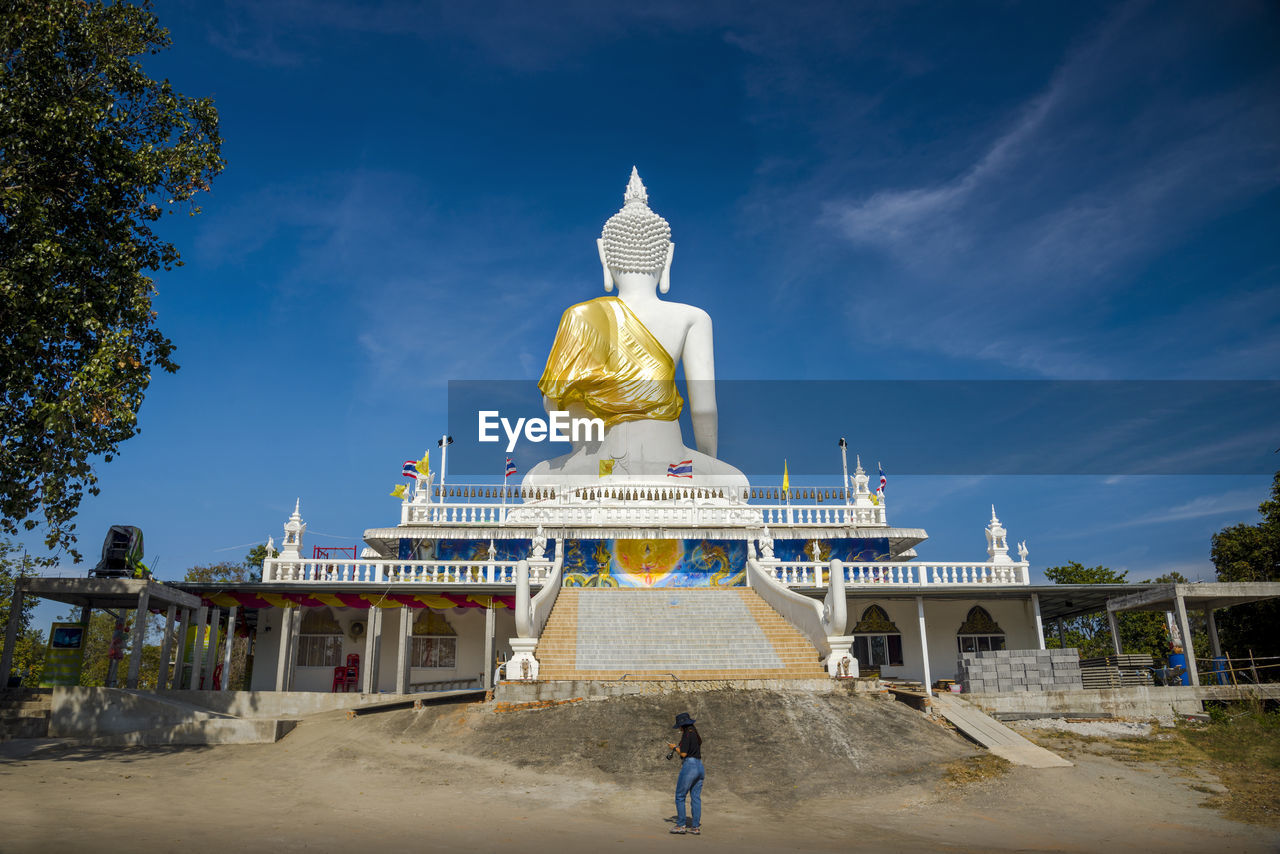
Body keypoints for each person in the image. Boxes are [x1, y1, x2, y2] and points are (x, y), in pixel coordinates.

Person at [666, 711, 704, 835]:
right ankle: (695, 827)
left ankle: (681, 825)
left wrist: (674, 748)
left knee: (680, 796)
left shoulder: (687, 734)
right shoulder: (695, 734)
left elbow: (683, 754)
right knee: (696, 798)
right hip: (700, 766)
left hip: (690, 766)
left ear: (682, 726)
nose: (680, 729)